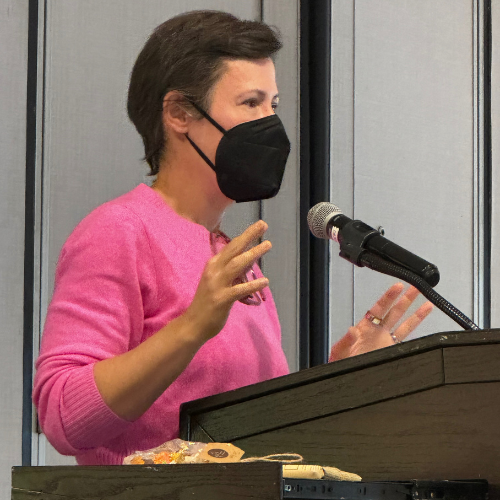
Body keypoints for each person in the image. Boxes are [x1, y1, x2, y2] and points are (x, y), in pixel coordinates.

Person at [32, 10, 433, 466]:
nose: (270, 124)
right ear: (179, 113)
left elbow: (248, 441)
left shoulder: (233, 255)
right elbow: (62, 416)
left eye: (273, 105)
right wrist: (191, 327)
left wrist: (339, 385)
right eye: (250, 103)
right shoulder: (119, 231)